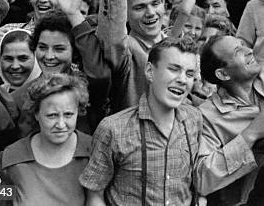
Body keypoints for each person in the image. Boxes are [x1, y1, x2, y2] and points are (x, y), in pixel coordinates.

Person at [79, 36, 202, 206]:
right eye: (174, 69)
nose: (182, 79)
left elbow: (193, 185)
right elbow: (95, 195)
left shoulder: (194, 119)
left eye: (189, 74)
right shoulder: (114, 129)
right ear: (150, 71)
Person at [196, 35, 264, 206]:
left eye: (244, 45)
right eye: (238, 51)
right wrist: (251, 135)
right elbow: (203, 179)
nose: (249, 51)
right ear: (223, 73)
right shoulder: (207, 115)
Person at [0, 73, 92, 206]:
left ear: (78, 111)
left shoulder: (93, 151)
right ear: (36, 113)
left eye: (69, 114)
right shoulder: (12, 158)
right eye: (52, 115)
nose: (61, 124)